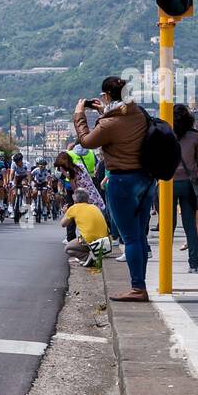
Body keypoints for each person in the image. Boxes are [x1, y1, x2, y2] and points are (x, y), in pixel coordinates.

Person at [73, 76, 150, 302]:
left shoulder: (109, 123)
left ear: (106, 96)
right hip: (145, 181)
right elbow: (120, 127)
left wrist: (79, 114)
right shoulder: (139, 113)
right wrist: (103, 111)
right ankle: (140, 284)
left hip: (121, 181)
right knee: (140, 236)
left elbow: (87, 141)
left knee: (130, 238)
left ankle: (138, 288)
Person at [171, 104, 198, 274]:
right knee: (190, 225)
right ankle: (194, 263)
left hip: (167, 183)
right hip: (188, 184)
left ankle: (166, 261)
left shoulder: (164, 135)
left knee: (168, 225)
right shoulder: (194, 137)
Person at [61, 188, 110, 266]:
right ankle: (92, 254)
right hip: (105, 241)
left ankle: (87, 257)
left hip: (90, 241)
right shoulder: (94, 207)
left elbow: (63, 224)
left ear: (75, 199)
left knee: (68, 248)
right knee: (81, 237)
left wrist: (65, 212)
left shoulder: (73, 208)